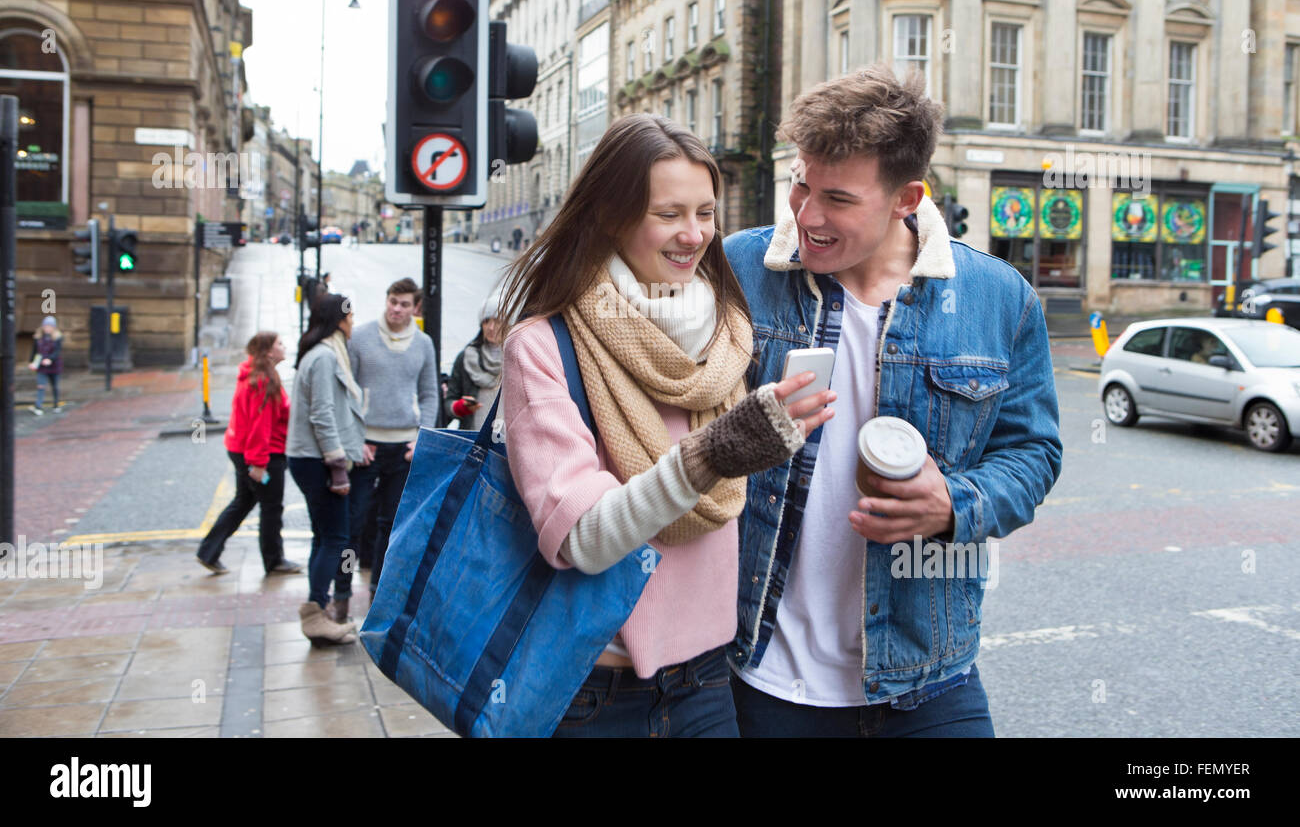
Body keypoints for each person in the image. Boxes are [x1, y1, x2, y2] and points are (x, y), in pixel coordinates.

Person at [722, 64, 1063, 737]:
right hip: (758, 669)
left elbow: (1033, 454)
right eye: (800, 184)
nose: (807, 215)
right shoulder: (738, 271)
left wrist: (954, 504)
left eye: (838, 200)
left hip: (929, 674)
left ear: (907, 197)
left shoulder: (999, 298)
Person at [497, 113, 835, 737]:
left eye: (705, 212)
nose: (694, 234)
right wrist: (711, 456)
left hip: (707, 680)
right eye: (669, 214)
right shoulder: (542, 345)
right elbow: (582, 541)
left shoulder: (728, 335)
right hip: (595, 694)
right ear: (610, 216)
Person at [346, 277, 440, 614]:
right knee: (353, 523)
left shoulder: (424, 344)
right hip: (366, 446)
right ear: (385, 300)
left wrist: (422, 438)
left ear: (414, 307)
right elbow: (349, 393)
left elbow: (430, 394)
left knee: (393, 524)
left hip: (403, 447)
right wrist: (355, 438)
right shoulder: (360, 337)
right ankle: (342, 595)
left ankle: (378, 593)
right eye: (392, 301)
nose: (396, 309)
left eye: (403, 304)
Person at [286, 293, 372, 645]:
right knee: (336, 537)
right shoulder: (323, 357)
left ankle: (317, 614)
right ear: (338, 320)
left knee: (325, 537)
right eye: (350, 317)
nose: (353, 323)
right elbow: (321, 413)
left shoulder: (323, 353)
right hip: (317, 461)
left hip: (312, 458)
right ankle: (316, 613)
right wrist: (338, 466)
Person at [196, 332, 301, 576]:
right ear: (268, 352)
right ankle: (274, 561)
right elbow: (260, 425)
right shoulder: (263, 381)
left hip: (242, 449)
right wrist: (258, 463)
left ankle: (208, 552)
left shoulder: (259, 374)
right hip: (262, 454)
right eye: (279, 344)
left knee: (243, 501)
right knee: (271, 507)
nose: (284, 347)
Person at [443, 292, 505, 431]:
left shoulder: (517, 358)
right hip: (473, 439)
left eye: (497, 321)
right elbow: (449, 404)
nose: (491, 327)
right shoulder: (466, 358)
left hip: (507, 442)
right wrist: (461, 407)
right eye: (486, 321)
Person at [28, 316, 63, 415]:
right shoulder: (38, 338)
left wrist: (50, 359)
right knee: (40, 386)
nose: (47, 328)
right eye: (46, 326)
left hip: (54, 366)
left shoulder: (58, 337)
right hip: (41, 366)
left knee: (55, 386)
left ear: (54, 327)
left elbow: (57, 352)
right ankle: (38, 406)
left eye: (50, 326)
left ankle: (56, 404)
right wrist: (31, 362)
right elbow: (34, 351)